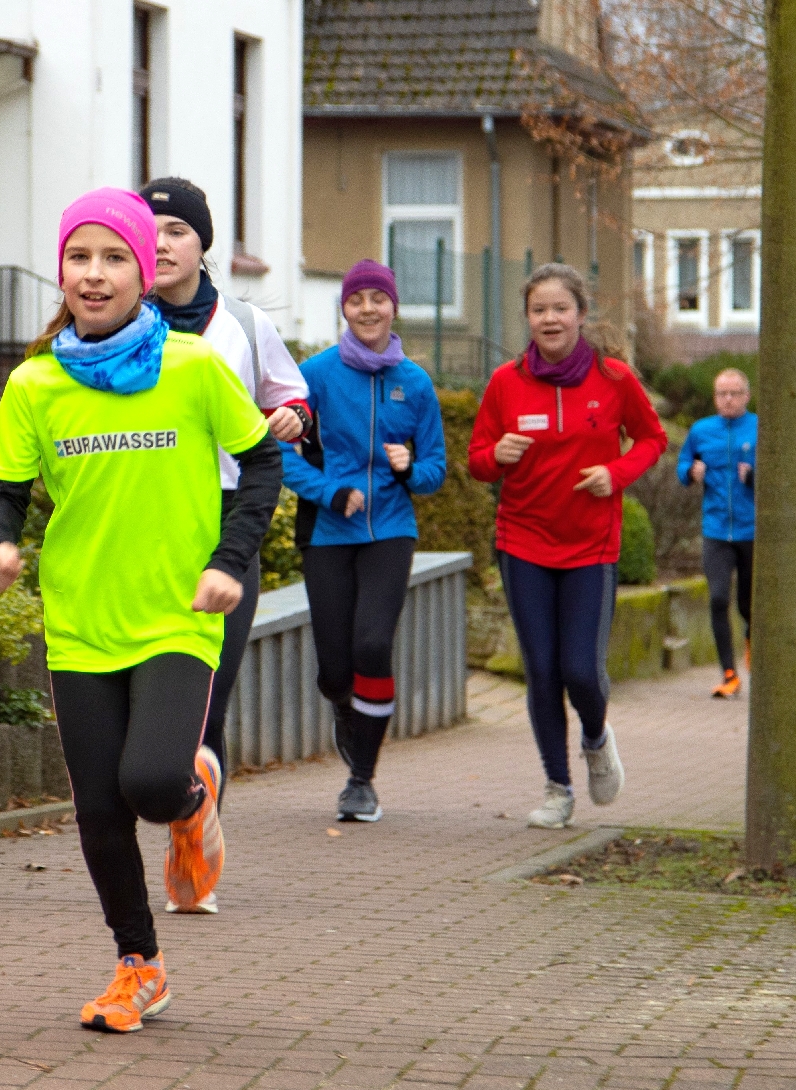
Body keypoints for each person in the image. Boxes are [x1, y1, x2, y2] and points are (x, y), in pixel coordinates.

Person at [0, 188, 281, 1032]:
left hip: (179, 615)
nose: (95, 274)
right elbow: (1, 493)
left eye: (115, 259)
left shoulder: (193, 369)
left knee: (147, 782)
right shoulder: (36, 384)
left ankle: (189, 804)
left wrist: (229, 561)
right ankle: (138, 963)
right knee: (100, 810)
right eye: (80, 258)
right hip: (80, 623)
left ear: (144, 273)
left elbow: (260, 470)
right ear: (63, 271)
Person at [468, 263, 667, 829]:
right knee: (542, 671)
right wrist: (496, 456)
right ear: (527, 318)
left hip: (590, 545)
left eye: (560, 308)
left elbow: (652, 438)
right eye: (539, 310)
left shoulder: (614, 379)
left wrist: (618, 473)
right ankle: (558, 787)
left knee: (581, 670)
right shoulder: (506, 382)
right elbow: (478, 460)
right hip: (524, 541)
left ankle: (597, 738)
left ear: (580, 314)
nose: (549, 319)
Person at [140, 177, 310, 829]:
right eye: (150, 232)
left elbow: (289, 392)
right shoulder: (115, 327)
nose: (161, 245)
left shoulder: (243, 323)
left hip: (226, 522)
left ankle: (196, 833)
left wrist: (293, 416)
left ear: (202, 243)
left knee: (209, 694)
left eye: (177, 232)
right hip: (144, 521)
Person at [281, 261, 446, 824]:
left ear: (394, 307)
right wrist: (329, 491)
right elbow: (279, 451)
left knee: (372, 645)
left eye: (379, 298)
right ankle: (347, 709)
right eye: (358, 300)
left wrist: (407, 470)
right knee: (335, 670)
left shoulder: (416, 383)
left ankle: (361, 781)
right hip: (329, 531)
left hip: (391, 531)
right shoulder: (317, 374)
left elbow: (435, 471)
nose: (369, 308)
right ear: (344, 309)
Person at [678, 368, 757, 698]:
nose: (727, 399)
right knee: (718, 598)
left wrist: (754, 477)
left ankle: (753, 648)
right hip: (715, 531)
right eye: (722, 394)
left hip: (753, 531)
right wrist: (690, 472)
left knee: (749, 606)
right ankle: (729, 674)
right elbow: (682, 466)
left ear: (746, 396)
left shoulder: (759, 428)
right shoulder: (701, 431)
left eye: (734, 393)